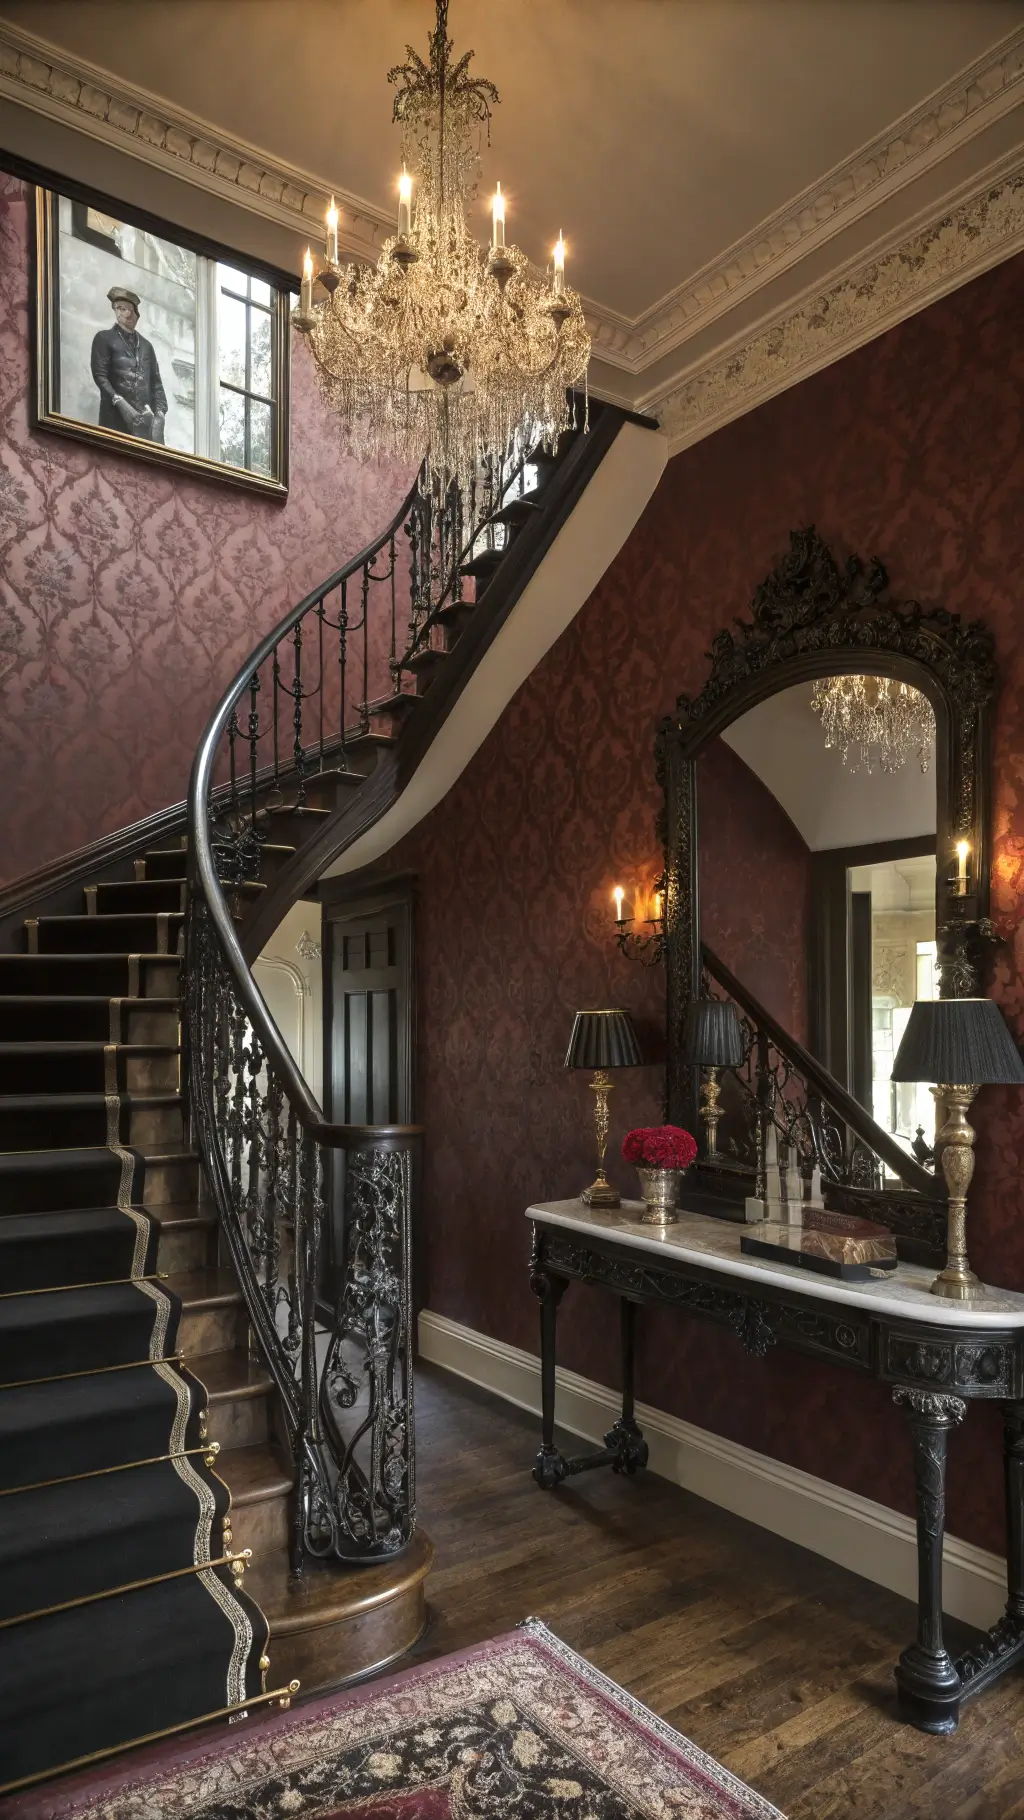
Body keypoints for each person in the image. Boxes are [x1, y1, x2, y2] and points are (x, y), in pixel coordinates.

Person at [90, 287, 167, 442]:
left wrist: (160, 414)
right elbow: (100, 376)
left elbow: (156, 384)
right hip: (114, 420)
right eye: (120, 308)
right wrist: (120, 402)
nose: (125, 313)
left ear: (136, 314)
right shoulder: (103, 338)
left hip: (145, 425)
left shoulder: (147, 346)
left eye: (129, 309)